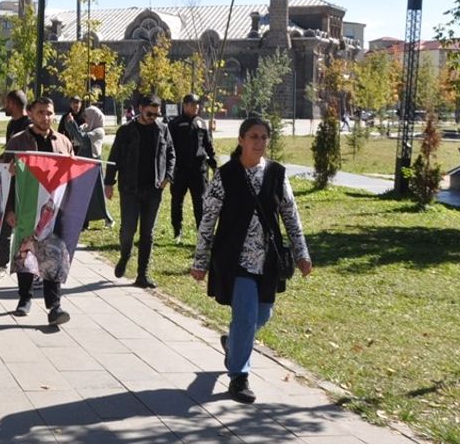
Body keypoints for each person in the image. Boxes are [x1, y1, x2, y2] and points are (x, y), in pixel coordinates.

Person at [190, 116, 312, 404]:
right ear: (241, 140)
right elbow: (208, 221)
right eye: (253, 136)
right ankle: (239, 377)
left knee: (263, 314)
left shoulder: (277, 174)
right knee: (245, 316)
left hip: (268, 260)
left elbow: (291, 217)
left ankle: (233, 343)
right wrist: (200, 260)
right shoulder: (226, 175)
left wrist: (302, 253)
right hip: (235, 260)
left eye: (263, 137)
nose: (259, 142)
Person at [4, 97, 75, 327]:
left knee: (53, 255)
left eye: (49, 112)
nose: (46, 117)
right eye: (41, 112)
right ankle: (24, 298)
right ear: (31, 114)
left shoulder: (63, 142)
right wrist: (9, 209)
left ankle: (54, 306)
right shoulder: (18, 141)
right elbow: (6, 179)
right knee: (26, 253)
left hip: (54, 211)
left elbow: (71, 178)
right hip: (27, 208)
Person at [104, 95, 175, 288]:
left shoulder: (163, 130)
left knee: (147, 233)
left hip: (154, 189)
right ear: (140, 108)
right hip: (130, 188)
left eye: (156, 113)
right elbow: (114, 157)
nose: (153, 117)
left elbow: (171, 154)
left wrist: (168, 176)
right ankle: (126, 254)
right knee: (128, 230)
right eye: (150, 113)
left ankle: (142, 274)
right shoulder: (126, 131)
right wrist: (108, 183)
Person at [0, 88, 30, 282]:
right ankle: (2, 265)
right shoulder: (11, 125)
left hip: (25, 185)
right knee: (5, 224)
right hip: (9, 182)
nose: (5, 106)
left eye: (6, 103)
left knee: (26, 226)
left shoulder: (29, 126)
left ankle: (28, 267)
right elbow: (9, 153)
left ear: (13, 104)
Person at [167, 93, 217, 242]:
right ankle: (177, 231)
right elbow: (169, 148)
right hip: (180, 170)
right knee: (177, 200)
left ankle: (201, 232)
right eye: (192, 104)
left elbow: (208, 144)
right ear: (185, 105)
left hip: (198, 170)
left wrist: (213, 161)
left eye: (197, 105)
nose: (196, 107)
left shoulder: (201, 123)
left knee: (200, 202)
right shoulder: (175, 123)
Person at [74, 105, 114, 229]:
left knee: (97, 194)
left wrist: (72, 125)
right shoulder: (85, 128)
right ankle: (84, 221)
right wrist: (72, 127)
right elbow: (76, 138)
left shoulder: (98, 131)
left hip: (93, 165)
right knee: (83, 194)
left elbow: (83, 140)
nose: (84, 119)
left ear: (93, 117)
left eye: (86, 116)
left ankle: (108, 218)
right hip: (82, 164)